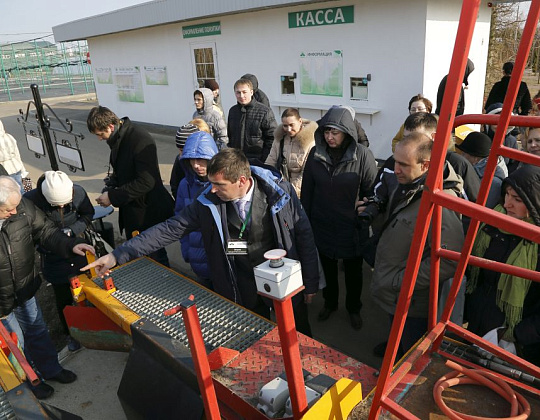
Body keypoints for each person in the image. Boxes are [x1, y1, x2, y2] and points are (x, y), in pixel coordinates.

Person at [82, 148, 319, 337]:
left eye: (219, 185)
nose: (212, 190)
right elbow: (168, 230)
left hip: (284, 281)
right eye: (211, 183)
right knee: (257, 332)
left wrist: (310, 281)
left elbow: (304, 234)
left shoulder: (279, 192)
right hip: (241, 283)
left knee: (297, 331)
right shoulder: (207, 202)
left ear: (242, 180)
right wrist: (118, 254)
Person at [369, 133, 464, 355]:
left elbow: (449, 262)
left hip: (412, 304)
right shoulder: (409, 185)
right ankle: (394, 349)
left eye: (403, 164)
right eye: (395, 162)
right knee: (396, 336)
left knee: (410, 354)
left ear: (425, 166)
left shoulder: (442, 204)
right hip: (396, 294)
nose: (395, 170)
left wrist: (402, 280)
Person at [0, 176, 94, 399]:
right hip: (1, 299)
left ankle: (51, 369)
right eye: (8, 209)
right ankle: (29, 381)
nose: (14, 212)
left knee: (37, 329)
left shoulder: (22, 208)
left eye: (15, 206)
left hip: (25, 287)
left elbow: (46, 231)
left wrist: (72, 244)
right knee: (15, 343)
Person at [301, 106, 377, 330]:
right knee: (328, 269)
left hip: (351, 226)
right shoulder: (315, 155)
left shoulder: (362, 155)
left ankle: (354, 308)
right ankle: (330, 303)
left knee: (354, 272)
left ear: (347, 133)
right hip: (322, 224)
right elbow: (307, 192)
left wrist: (364, 211)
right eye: (326, 131)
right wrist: (306, 223)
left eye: (335, 132)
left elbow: (372, 191)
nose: (330, 137)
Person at [465, 165, 540, 366]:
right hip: (476, 321)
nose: (507, 204)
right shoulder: (491, 221)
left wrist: (516, 334)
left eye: (517, 199)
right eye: (506, 195)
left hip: (513, 343)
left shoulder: (537, 244)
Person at [87, 106, 174, 266]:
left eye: (101, 134)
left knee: (155, 256)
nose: (100, 139)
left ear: (110, 126)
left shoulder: (139, 139)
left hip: (147, 212)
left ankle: (163, 284)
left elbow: (147, 181)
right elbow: (123, 171)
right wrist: (111, 186)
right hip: (134, 210)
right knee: (141, 257)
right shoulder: (119, 138)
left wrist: (112, 197)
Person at [24, 171, 94, 352]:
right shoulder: (30, 201)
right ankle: (70, 333)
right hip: (53, 256)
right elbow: (32, 232)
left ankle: (93, 326)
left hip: (79, 249)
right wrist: (44, 245)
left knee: (89, 291)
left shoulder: (78, 192)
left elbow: (87, 214)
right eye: (57, 205)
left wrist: (72, 230)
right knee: (63, 297)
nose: (62, 206)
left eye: (66, 204)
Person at [175, 131, 219, 288]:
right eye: (192, 160)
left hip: (222, 264)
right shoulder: (184, 186)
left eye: (200, 159)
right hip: (197, 261)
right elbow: (180, 220)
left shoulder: (222, 186)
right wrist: (186, 250)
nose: (195, 165)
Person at [265, 108, 317, 197]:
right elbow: (270, 162)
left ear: (300, 121)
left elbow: (306, 173)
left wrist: (291, 191)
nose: (288, 129)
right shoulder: (279, 139)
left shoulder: (310, 142)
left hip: (301, 192)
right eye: (285, 126)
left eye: (291, 125)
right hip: (280, 188)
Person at [228, 78, 277, 161]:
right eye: (238, 92)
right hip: (237, 161)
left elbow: (272, 138)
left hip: (257, 161)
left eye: (244, 92)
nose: (241, 96)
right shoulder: (233, 111)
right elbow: (230, 136)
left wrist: (264, 159)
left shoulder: (264, 111)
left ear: (251, 92)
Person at [455, 132, 507, 209]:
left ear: (476, 158)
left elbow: (480, 210)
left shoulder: (492, 182)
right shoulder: (483, 173)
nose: (461, 156)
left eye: (464, 154)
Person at [170, 120, 211, 200]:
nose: (182, 154)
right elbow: (175, 184)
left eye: (184, 150)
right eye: (180, 150)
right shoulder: (180, 160)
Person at [484, 102, 519, 173]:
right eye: (496, 122)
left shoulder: (511, 141)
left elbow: (513, 164)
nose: (500, 126)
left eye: (504, 122)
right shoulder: (482, 139)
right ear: (488, 124)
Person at [0, 119, 28, 192]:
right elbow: (17, 154)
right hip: (16, 167)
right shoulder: (9, 137)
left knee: (10, 194)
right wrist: (23, 170)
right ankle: (27, 201)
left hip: (4, 172)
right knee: (23, 190)